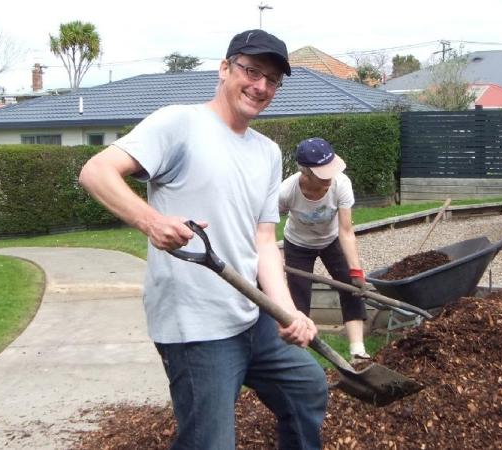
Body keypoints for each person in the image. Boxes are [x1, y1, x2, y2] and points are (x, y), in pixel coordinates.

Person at [78, 29, 327, 450]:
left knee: (307, 385)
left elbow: (265, 241)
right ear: (225, 68)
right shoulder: (180, 123)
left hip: (250, 316)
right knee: (208, 443)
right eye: (251, 71)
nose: (261, 86)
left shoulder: (266, 152)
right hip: (195, 326)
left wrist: (286, 311)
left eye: (272, 80)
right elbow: (95, 172)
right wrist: (150, 221)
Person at [279, 137, 370, 362]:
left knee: (350, 287)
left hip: (332, 240)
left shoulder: (341, 184)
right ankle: (296, 357)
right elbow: (266, 227)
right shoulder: (286, 192)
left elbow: (347, 231)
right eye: (322, 174)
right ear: (305, 173)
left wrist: (356, 272)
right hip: (298, 243)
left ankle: (357, 351)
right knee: (298, 299)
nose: (329, 178)